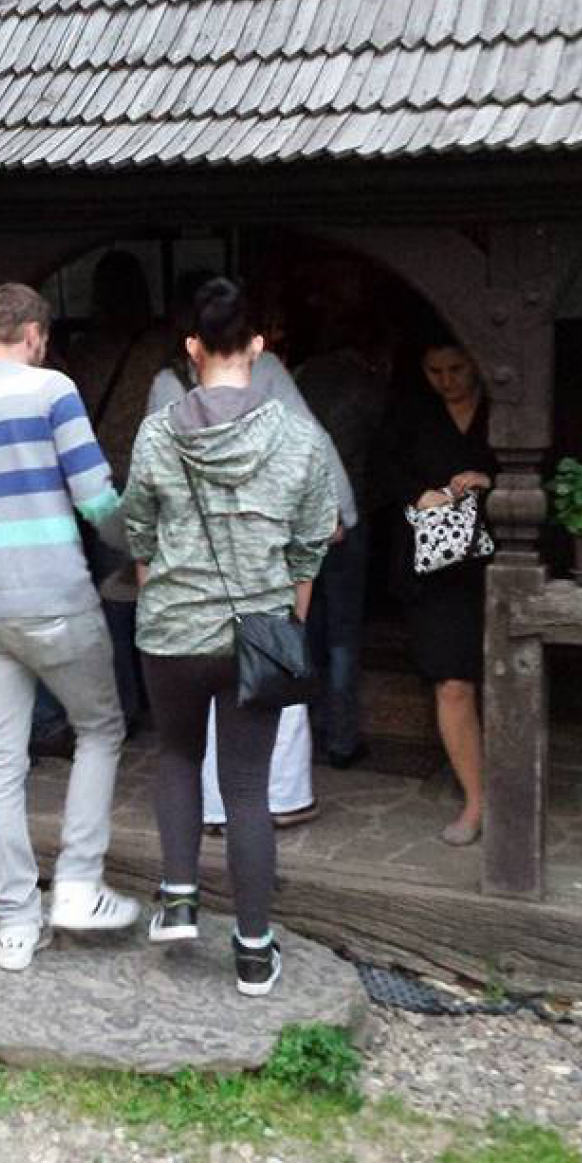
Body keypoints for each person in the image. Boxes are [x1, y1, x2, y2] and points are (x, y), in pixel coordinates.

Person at [0, 281, 139, 972]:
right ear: (35, 335)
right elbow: (96, 499)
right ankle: (77, 885)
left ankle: (15, 922)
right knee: (101, 728)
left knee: (2, 757)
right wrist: (144, 546)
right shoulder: (53, 391)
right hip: (56, 595)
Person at [124, 278, 337, 997]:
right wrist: (287, 618)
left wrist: (164, 593)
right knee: (247, 789)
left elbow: (139, 531)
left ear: (193, 348)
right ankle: (252, 951)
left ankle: (180, 899)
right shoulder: (299, 439)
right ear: (258, 346)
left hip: (172, 629)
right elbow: (310, 544)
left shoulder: (158, 433)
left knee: (178, 756)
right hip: (260, 629)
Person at [146, 274, 355, 828]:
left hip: (196, 559)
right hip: (265, 547)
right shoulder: (267, 370)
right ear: (253, 338)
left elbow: (152, 491)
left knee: (203, 681)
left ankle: (215, 809)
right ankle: (282, 797)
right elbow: (311, 439)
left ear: (191, 340)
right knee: (270, 667)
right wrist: (335, 510)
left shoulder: (168, 385)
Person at [381, 338, 497, 846]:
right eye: (435, 371)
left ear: (477, 361)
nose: (447, 380)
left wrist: (491, 480)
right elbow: (381, 469)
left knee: (508, 675)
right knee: (452, 683)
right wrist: (420, 494)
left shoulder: (507, 409)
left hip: (501, 558)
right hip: (436, 565)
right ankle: (477, 801)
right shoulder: (411, 413)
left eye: (456, 368)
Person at [296, 315, 390, 768]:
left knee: (308, 619)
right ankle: (342, 737)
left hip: (302, 512)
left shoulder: (299, 379)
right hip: (349, 512)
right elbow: (382, 445)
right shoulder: (370, 386)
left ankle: (308, 722)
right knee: (344, 630)